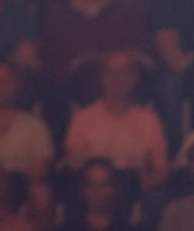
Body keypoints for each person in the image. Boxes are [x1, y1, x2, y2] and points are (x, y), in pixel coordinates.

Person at [63, 51, 168, 192]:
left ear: (133, 78)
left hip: (135, 191)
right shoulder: (83, 118)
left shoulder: (150, 120)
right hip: (95, 193)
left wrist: (144, 187)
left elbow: (161, 169)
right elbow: (75, 167)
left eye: (123, 72)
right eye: (110, 72)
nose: (115, 78)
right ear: (102, 77)